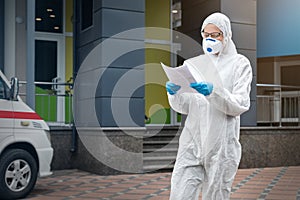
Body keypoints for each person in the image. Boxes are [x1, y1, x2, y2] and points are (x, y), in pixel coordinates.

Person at [166, 12, 253, 199]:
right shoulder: (194, 65)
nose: (210, 39)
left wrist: (214, 92)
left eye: (216, 35)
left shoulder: (240, 64)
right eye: (206, 35)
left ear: (226, 35)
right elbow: (185, 106)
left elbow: (241, 103)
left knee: (216, 195)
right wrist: (174, 94)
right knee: (180, 193)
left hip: (221, 146)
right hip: (192, 142)